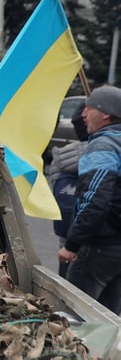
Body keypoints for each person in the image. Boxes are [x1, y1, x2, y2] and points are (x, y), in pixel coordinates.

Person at [59, 85, 121, 311]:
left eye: (89, 108)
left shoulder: (103, 146)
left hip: (98, 247)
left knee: (73, 316)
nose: (83, 114)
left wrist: (72, 244)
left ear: (105, 114)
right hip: (117, 248)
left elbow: (95, 199)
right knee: (108, 320)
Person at [46, 99, 88, 278]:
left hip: (66, 242)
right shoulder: (108, 157)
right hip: (99, 247)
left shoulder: (60, 159)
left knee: (67, 289)